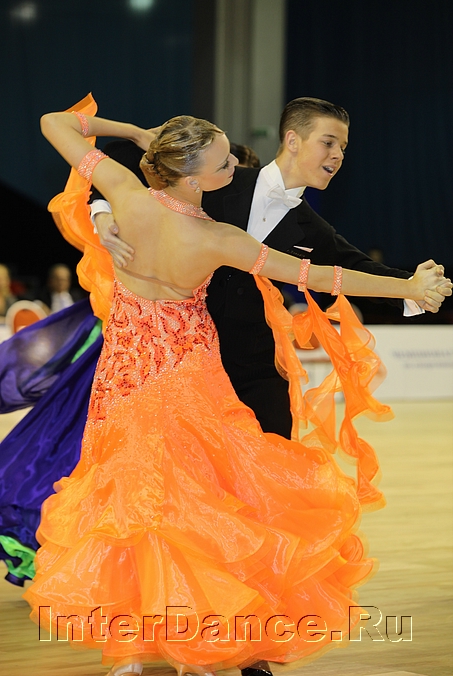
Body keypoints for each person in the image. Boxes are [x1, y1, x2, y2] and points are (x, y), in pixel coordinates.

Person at [22, 99, 451, 676]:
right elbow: (319, 277)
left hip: (126, 379)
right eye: (226, 162)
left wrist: (135, 133)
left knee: (133, 503)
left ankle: (150, 646)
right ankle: (195, 640)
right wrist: (411, 288)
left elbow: (54, 122)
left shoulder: (125, 192)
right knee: (196, 509)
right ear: (194, 176)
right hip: (191, 380)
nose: (236, 167)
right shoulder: (218, 237)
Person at [93, 97, 447, 439]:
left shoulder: (314, 230)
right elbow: (123, 158)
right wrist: (102, 209)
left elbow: (354, 267)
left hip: (255, 365)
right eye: (328, 142)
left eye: (342, 147)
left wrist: (414, 288)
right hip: (182, 359)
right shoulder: (217, 176)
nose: (338, 155)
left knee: (277, 457)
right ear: (292, 140)